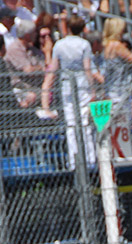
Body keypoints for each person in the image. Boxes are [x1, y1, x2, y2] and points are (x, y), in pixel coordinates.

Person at [40, 13, 102, 169]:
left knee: (71, 123)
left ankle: (74, 161)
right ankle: (89, 159)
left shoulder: (59, 45)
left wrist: (48, 84)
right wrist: (93, 90)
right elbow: (87, 68)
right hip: (82, 85)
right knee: (85, 122)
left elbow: (53, 69)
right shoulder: (84, 44)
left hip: (67, 84)